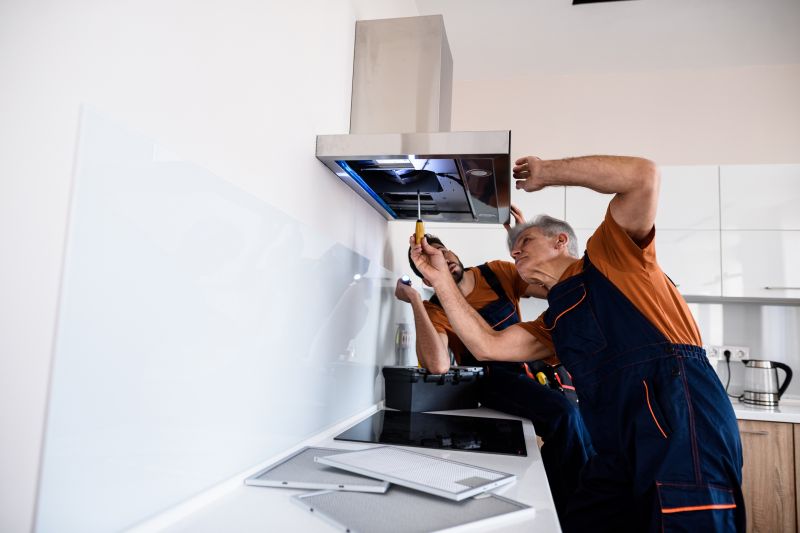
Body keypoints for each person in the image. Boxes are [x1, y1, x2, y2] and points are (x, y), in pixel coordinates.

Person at [409, 155, 744, 532]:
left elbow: (642, 176)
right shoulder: (555, 321)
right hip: (613, 441)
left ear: (561, 241)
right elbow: (489, 346)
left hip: (680, 420)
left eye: (526, 243)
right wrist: (440, 283)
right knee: (581, 520)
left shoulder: (612, 258)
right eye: (513, 249)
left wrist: (547, 173)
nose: (515, 251)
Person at [394, 220, 594, 522]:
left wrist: (529, 248)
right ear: (426, 275)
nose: (444, 259)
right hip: (490, 379)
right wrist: (415, 303)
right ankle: (574, 514)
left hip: (527, 365)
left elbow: (555, 288)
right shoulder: (437, 308)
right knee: (563, 415)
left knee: (578, 420)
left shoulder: (496, 272)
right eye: (432, 260)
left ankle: (581, 502)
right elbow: (438, 365)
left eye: (444, 252)